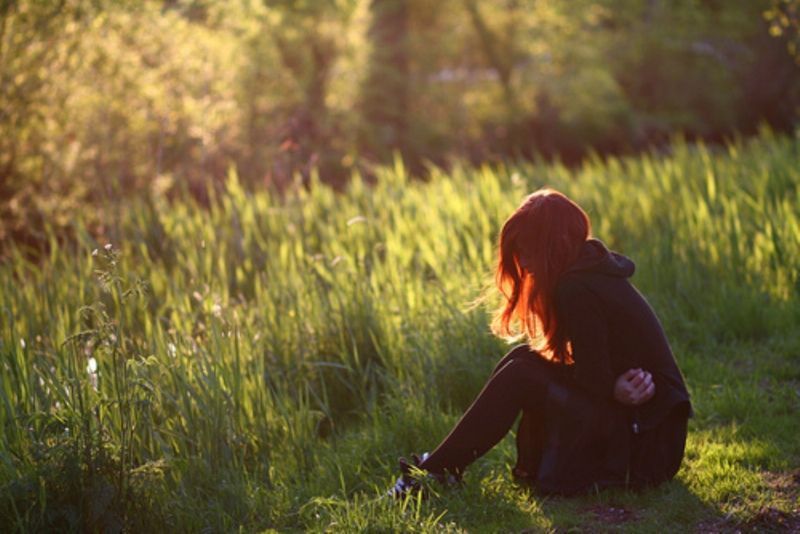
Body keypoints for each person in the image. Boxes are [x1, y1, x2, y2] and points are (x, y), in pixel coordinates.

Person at [390, 188, 692, 497]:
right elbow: (595, 370)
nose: (521, 260)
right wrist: (613, 388)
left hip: (647, 447)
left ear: (555, 245)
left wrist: (613, 388)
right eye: (517, 250)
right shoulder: (588, 271)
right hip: (649, 433)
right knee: (523, 357)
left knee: (522, 374)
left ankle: (431, 475)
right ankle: (441, 469)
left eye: (528, 248)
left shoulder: (577, 287)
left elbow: (593, 378)